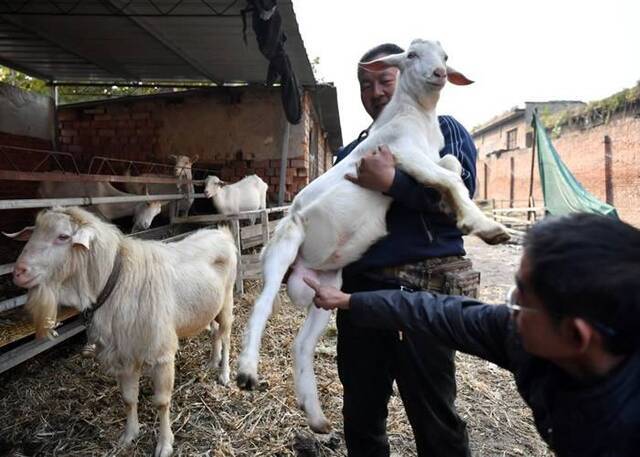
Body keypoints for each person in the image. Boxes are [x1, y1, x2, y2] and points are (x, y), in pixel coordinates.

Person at [305, 213, 640, 457]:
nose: (509, 309)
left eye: (521, 299)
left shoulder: (620, 434)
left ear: (576, 335)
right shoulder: (523, 336)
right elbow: (435, 312)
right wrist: (350, 300)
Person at [334, 42, 478, 456]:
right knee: (361, 415)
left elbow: (460, 200)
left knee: (434, 417)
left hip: (421, 296)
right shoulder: (354, 151)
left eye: (384, 80)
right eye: (365, 84)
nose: (375, 91)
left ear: (407, 77)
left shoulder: (443, 129)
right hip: (359, 300)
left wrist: (392, 183)